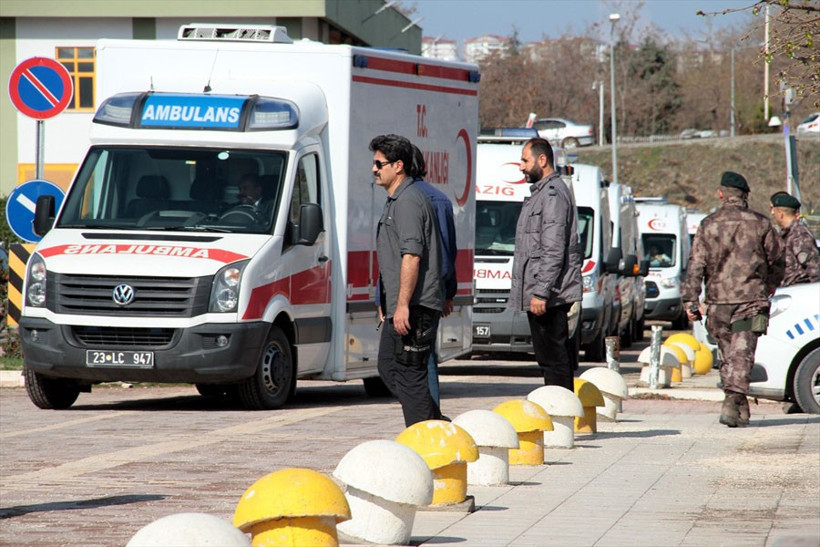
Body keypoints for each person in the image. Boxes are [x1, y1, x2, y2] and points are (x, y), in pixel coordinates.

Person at [682, 171, 784, 428]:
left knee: (731, 356)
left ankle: (738, 406)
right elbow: (778, 260)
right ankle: (733, 402)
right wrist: (769, 286)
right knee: (741, 355)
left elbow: (696, 265)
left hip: (718, 303)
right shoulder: (761, 223)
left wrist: (690, 300)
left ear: (720, 194)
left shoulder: (708, 224)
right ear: (745, 195)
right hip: (750, 300)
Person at [371, 134, 443, 426]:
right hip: (400, 305)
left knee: (409, 375)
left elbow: (412, 256)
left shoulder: (409, 201)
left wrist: (402, 306)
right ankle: (435, 425)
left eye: (379, 164)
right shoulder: (396, 199)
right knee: (388, 366)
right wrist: (387, 301)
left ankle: (429, 438)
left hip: (415, 306)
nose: (374, 169)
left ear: (398, 166)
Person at [509, 137, 582, 391]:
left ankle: (561, 417)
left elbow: (552, 249)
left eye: (525, 160)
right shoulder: (542, 193)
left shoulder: (552, 194)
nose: (521, 166)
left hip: (551, 295)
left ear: (542, 160)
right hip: (546, 292)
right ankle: (559, 412)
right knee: (549, 359)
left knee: (554, 360)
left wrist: (541, 291)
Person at [408, 144, 457, 406]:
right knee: (426, 356)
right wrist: (449, 292)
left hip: (410, 291)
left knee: (409, 360)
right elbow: (449, 251)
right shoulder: (441, 200)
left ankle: (425, 417)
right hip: (434, 290)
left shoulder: (403, 199)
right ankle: (431, 413)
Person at [769, 191, 820, 286]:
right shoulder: (786, 234)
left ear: (780, 213)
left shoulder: (799, 235)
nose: (772, 214)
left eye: (773, 210)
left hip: (799, 292)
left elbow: (814, 268)